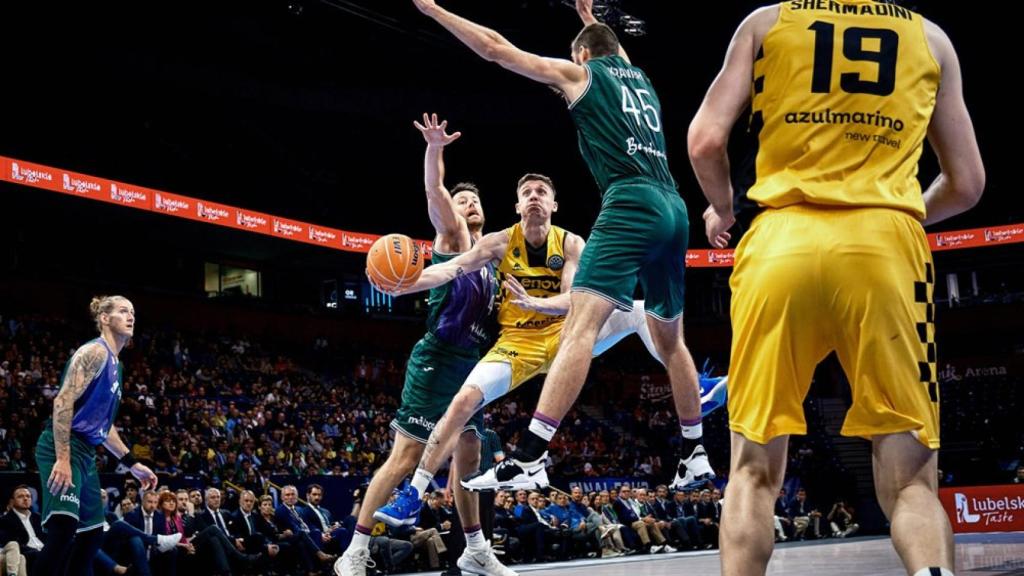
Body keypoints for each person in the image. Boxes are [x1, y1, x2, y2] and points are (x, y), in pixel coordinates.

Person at [686, 2, 984, 575]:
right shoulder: (932, 38)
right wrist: (894, 211)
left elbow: (704, 141)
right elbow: (968, 184)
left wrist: (724, 209)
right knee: (913, 483)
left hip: (778, 243)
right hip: (884, 247)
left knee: (752, 472)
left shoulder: (766, 22)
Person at [411, 0, 715, 494]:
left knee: (580, 325)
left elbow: (495, 49)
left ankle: (531, 455)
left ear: (580, 57)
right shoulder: (641, 81)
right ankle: (694, 451)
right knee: (670, 340)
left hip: (630, 202)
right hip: (675, 209)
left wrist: (435, 10)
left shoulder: (580, 77)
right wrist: (587, 19)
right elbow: (615, 50)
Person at [335, 113, 505, 576]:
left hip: (471, 364)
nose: (467, 204)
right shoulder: (453, 237)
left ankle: (475, 549)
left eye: (474, 200)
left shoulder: (491, 259)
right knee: (406, 456)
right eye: (462, 198)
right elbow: (435, 192)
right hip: (437, 358)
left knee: (469, 456)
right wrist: (435, 149)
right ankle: (355, 550)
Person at [34, 296, 159, 576]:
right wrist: (63, 458)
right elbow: (62, 402)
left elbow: (103, 428)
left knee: (92, 535)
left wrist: (132, 463)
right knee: (64, 529)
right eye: (123, 311)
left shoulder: (118, 366)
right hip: (61, 446)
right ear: (104, 318)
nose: (131, 316)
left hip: (86, 452)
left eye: (133, 312)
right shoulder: (94, 352)